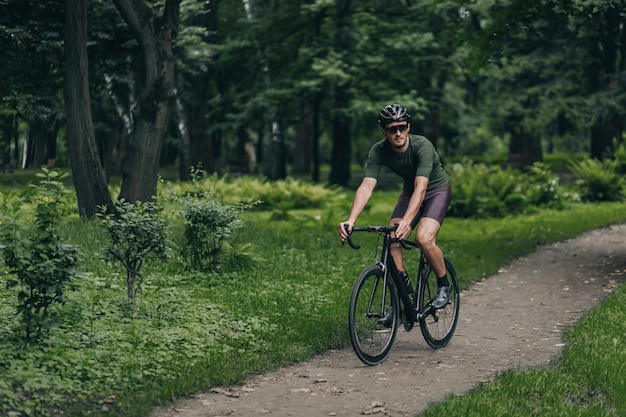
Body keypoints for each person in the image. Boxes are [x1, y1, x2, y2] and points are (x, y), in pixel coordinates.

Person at [338, 103, 452, 316]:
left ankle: (444, 284)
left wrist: (407, 221)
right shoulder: (378, 150)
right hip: (410, 192)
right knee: (392, 237)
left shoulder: (422, 146)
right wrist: (351, 219)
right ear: (384, 131)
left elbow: (422, 188)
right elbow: (367, 186)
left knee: (424, 238)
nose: (398, 133)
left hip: (436, 190)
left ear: (408, 127)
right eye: (392, 129)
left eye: (402, 127)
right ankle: (400, 297)